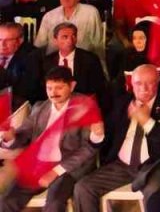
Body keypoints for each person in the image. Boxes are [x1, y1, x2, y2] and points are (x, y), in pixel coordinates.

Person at [72, 64, 160, 212]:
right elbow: (106, 135)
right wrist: (97, 133)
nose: (143, 88)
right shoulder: (122, 103)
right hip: (122, 165)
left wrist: (147, 121)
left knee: (154, 193)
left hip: (154, 166)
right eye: (138, 83)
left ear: (158, 81)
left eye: (149, 83)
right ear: (131, 83)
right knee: (83, 188)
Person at [0, 67, 106, 212]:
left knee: (54, 204)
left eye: (59, 88)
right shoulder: (40, 108)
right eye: (49, 88)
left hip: (68, 167)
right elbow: (23, 135)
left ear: (72, 86)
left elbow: (88, 149)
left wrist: (55, 171)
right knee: (6, 201)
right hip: (39, 164)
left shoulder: (84, 106)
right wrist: (10, 138)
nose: (53, 93)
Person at [34, 0, 104, 57]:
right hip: (54, 63)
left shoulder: (90, 13)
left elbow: (98, 44)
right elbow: (39, 45)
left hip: (81, 62)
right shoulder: (49, 16)